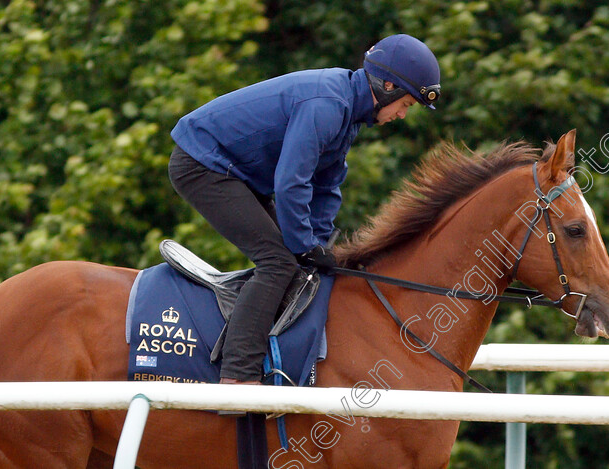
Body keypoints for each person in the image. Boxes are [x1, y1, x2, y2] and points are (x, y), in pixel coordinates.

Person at [167, 34, 441, 385]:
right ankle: (237, 377)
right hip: (201, 164)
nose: (403, 114)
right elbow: (291, 182)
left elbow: (326, 185)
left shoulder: (349, 114)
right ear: (387, 86)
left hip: (238, 171)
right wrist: (305, 246)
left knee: (295, 262)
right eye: (406, 103)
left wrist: (320, 245)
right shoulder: (328, 105)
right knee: (278, 261)